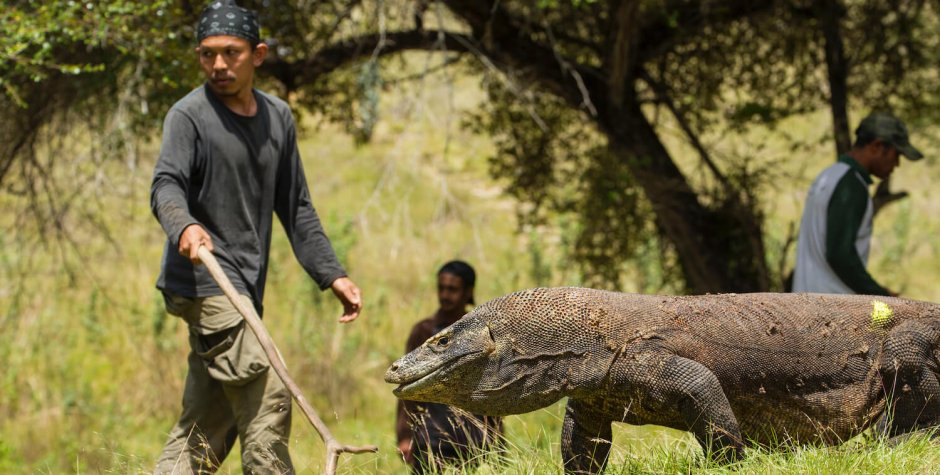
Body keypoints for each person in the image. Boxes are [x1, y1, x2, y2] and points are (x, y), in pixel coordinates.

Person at [150, 1, 363, 473]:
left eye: (231, 53)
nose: (218, 64)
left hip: (243, 287)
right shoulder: (188, 116)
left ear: (258, 55)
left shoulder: (278, 117)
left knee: (208, 424)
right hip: (206, 282)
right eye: (207, 54)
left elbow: (296, 206)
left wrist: (332, 274)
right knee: (268, 392)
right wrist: (184, 224)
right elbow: (166, 184)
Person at [793, 112, 924, 296]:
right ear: (877, 146)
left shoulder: (829, 175)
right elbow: (840, 255)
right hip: (835, 304)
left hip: (807, 298)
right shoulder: (851, 186)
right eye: (896, 155)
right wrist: (880, 295)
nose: (896, 164)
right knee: (892, 312)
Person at [396, 261, 503, 473]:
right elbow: (407, 391)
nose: (445, 295)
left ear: (468, 292)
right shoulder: (424, 331)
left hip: (475, 441)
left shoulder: (482, 333)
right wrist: (405, 435)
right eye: (441, 288)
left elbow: (494, 389)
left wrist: (497, 438)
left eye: (452, 289)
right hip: (432, 439)